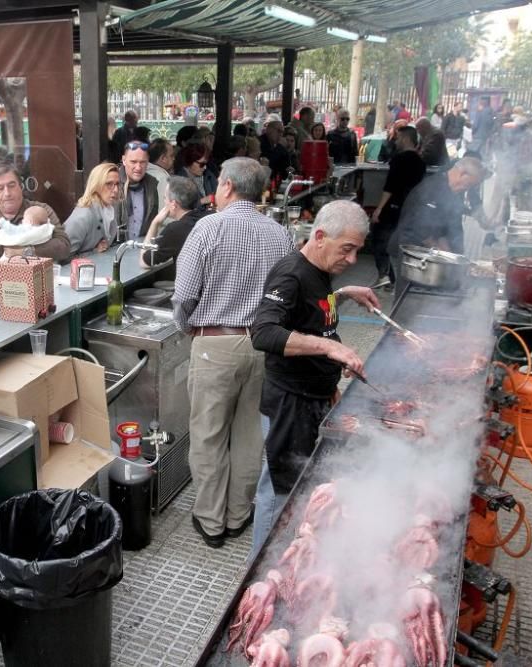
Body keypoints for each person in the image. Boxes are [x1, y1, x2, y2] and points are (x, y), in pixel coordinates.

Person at [172, 158, 295, 548]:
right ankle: (240, 515)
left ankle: (211, 521)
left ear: (225, 185)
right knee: (248, 437)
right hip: (264, 346)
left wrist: (188, 328)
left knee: (208, 436)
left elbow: (184, 295)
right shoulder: (281, 235)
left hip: (215, 345)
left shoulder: (207, 228)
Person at [249, 200, 379, 555]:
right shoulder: (290, 273)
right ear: (320, 236)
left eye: (357, 251)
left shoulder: (319, 273)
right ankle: (261, 573)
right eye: (347, 250)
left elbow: (308, 311)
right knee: (280, 493)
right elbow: (263, 333)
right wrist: (329, 349)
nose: (352, 261)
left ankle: (289, 559)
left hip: (312, 399)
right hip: (289, 403)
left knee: (298, 488)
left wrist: (343, 295)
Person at [388, 157, 487, 292]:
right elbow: (421, 230)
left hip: (427, 256)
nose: (466, 189)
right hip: (410, 254)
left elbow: (443, 230)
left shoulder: (452, 191)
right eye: (468, 185)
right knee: (407, 298)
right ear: (462, 173)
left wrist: (454, 255)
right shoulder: (432, 188)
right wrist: (447, 256)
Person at [0, 162, 70, 278]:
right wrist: (20, 270)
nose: (7, 193)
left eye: (11, 186)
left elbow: (63, 247)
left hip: (43, 283)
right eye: (0, 188)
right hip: (4, 290)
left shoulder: (41, 211)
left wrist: (24, 253)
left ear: (21, 187)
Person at [369, 126, 425, 289]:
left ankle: (384, 275)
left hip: (393, 205)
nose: (396, 141)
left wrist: (379, 209)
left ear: (407, 139)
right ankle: (396, 277)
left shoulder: (399, 159)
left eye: (399, 138)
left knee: (380, 237)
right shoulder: (420, 162)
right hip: (409, 207)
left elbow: (390, 186)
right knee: (398, 241)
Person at [139, 176, 208, 280]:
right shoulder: (208, 217)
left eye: (165, 198)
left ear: (174, 204)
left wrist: (155, 223)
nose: (164, 201)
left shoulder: (175, 229)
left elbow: (144, 262)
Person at [63, 163, 120, 254]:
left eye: (117, 184)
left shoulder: (109, 210)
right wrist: (94, 252)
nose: (116, 190)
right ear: (96, 185)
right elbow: (63, 260)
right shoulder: (83, 216)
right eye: (109, 184)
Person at [118, 140, 159, 240]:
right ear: (124, 160)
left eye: (143, 162)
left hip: (140, 248)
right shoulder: (113, 183)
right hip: (115, 250)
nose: (138, 167)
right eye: (133, 162)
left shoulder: (152, 185)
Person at [174, 143, 217, 207]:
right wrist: (202, 201)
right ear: (190, 161)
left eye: (206, 164)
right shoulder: (179, 181)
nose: (205, 167)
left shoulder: (208, 175)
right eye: (201, 164)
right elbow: (181, 208)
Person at [146, 138, 174, 212]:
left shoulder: (144, 172)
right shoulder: (162, 178)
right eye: (171, 156)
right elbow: (164, 210)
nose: (174, 159)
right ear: (163, 158)